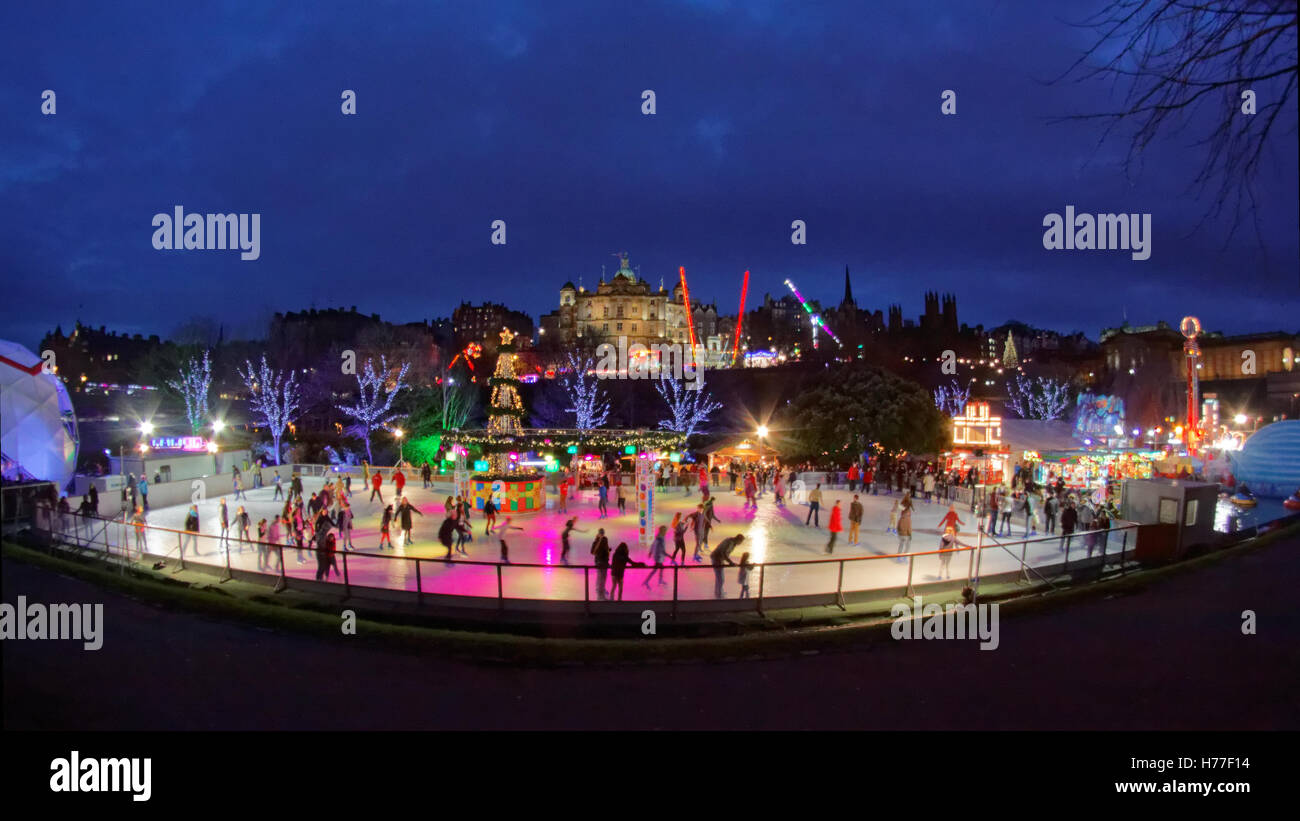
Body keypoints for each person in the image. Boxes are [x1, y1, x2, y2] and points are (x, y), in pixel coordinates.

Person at [710, 534, 744, 599]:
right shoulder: (730, 543)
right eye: (741, 542)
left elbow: (725, 553)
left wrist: (729, 561)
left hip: (718, 558)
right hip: (717, 558)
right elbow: (724, 553)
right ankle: (719, 593)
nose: (740, 543)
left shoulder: (732, 542)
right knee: (720, 578)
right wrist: (730, 562)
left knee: (719, 577)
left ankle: (718, 591)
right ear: (738, 540)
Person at [591, 529, 611, 600]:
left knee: (601, 577)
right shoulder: (599, 541)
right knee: (602, 578)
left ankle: (600, 591)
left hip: (602, 562)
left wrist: (608, 551)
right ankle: (600, 594)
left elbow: (606, 550)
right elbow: (593, 552)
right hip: (601, 562)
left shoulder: (603, 540)